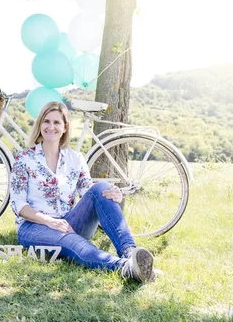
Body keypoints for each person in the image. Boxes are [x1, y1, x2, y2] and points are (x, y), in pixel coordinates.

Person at [9, 101, 156, 282]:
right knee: (73, 242)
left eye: (57, 123)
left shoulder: (75, 158)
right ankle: (127, 268)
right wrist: (50, 222)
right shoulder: (24, 159)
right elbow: (18, 204)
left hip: (69, 222)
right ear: (40, 124)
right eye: (46, 121)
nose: (51, 127)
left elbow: (89, 192)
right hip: (33, 227)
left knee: (101, 188)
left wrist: (112, 194)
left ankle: (130, 252)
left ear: (65, 127)